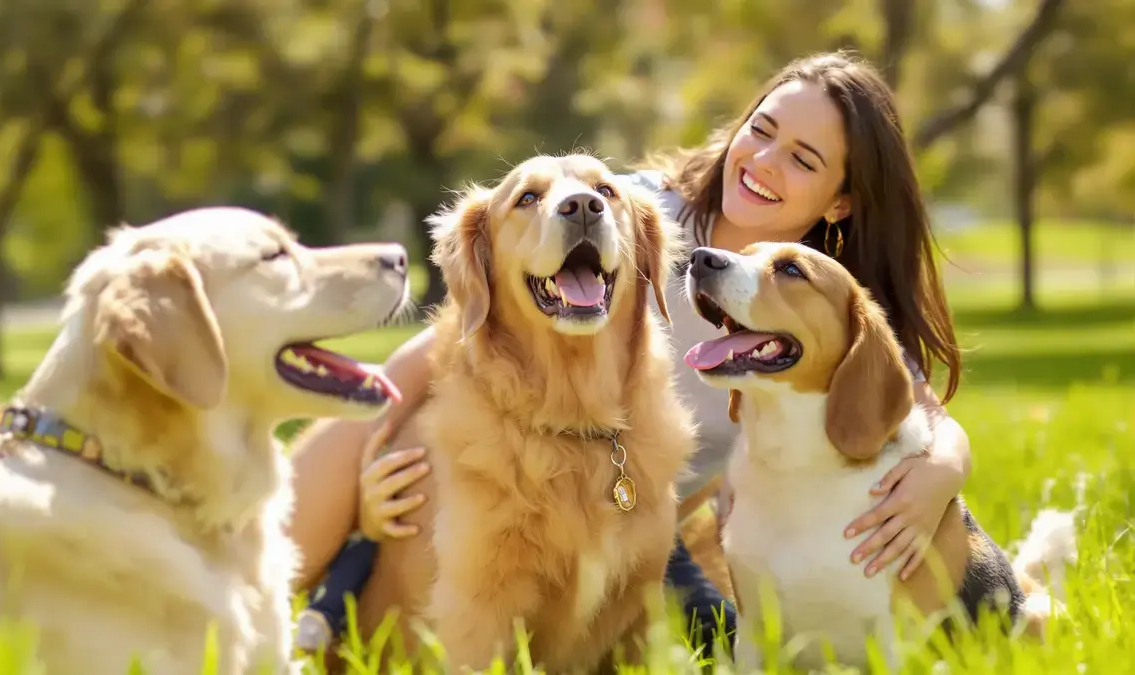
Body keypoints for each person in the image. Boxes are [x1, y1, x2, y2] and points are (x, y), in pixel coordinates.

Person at [286, 50, 974, 658]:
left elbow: (917, 409)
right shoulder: (636, 210)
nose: (764, 161)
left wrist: (943, 469)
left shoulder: (825, 301)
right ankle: (283, 611)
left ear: (841, 200)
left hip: (644, 526)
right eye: (761, 130)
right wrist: (373, 467)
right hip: (509, 464)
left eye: (803, 158)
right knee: (337, 483)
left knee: (719, 643)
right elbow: (425, 354)